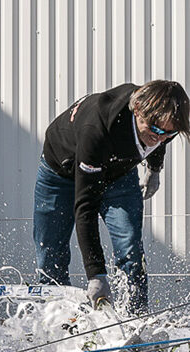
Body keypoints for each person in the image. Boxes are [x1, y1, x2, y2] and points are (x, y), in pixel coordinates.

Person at [33, 81, 190, 313]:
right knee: (51, 252)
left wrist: (154, 169)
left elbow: (162, 134)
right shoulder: (96, 129)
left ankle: (135, 317)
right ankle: (55, 316)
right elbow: (85, 207)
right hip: (61, 170)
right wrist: (96, 274)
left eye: (170, 133)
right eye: (155, 130)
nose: (161, 138)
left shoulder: (165, 119)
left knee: (131, 249)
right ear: (137, 110)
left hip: (118, 172)